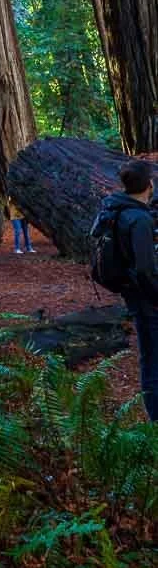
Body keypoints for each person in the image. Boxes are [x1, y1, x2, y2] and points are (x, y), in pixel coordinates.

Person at [95, 159, 158, 421]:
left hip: (132, 292)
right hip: (148, 298)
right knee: (153, 359)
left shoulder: (117, 209)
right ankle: (155, 419)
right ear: (149, 185)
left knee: (149, 355)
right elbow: (145, 268)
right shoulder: (139, 219)